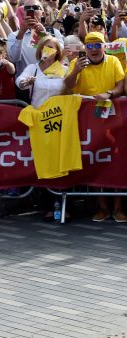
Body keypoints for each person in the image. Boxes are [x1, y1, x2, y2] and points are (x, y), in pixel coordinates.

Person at [64, 31, 126, 222]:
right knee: (94, 161)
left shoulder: (113, 62)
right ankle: (102, 207)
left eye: (97, 45)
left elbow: (120, 85)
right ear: (85, 49)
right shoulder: (78, 63)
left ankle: (118, 207)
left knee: (114, 161)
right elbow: (67, 86)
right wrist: (75, 70)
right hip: (87, 121)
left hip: (112, 120)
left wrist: (109, 93)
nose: (93, 50)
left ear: (104, 47)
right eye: (89, 46)